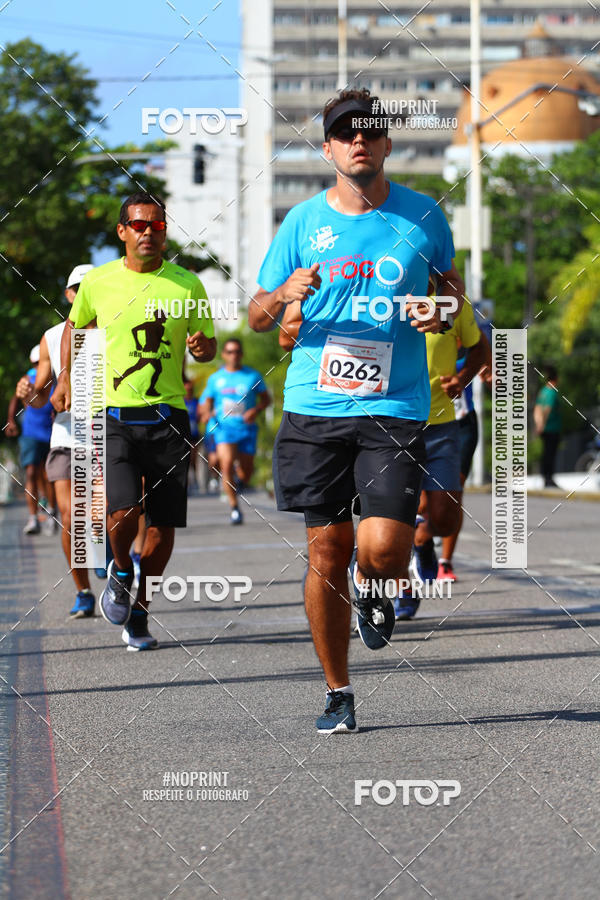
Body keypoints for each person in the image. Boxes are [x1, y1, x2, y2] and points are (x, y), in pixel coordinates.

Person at [249, 88, 464, 733]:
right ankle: (337, 691)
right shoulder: (301, 222)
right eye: (347, 134)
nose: (359, 141)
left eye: (370, 132)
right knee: (326, 550)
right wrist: (283, 294)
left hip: (394, 405)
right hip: (314, 405)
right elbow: (257, 315)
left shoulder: (424, 216)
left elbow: (451, 290)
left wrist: (441, 310)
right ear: (329, 149)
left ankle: (375, 588)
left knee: (386, 549)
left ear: (388, 144)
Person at [51, 191, 216, 650]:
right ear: (122, 231)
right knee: (123, 512)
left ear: (165, 231)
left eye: (157, 225)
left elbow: (206, 344)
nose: (148, 232)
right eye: (139, 225)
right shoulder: (98, 282)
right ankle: (121, 569)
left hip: (169, 418)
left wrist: (203, 347)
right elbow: (75, 327)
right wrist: (65, 375)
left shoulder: (187, 285)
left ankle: (140, 613)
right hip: (113, 416)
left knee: (162, 527)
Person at [16, 265, 99, 615]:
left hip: (110, 433)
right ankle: (83, 591)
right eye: (79, 288)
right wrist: (28, 396)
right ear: (68, 294)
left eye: (92, 286)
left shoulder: (116, 330)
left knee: (110, 515)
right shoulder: (51, 336)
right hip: (67, 434)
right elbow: (41, 397)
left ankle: (112, 555)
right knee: (70, 516)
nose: (85, 292)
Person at [436, 340, 492, 582]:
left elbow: (490, 367)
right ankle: (421, 539)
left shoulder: (470, 348)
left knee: (454, 492)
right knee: (422, 501)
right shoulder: (421, 339)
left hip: (462, 426)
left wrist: (492, 375)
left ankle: (445, 563)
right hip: (427, 423)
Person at [201, 338, 271, 524]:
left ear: (242, 354)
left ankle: (238, 483)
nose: (234, 355)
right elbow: (206, 401)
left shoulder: (252, 376)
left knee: (246, 472)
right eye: (230, 352)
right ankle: (234, 508)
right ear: (224, 354)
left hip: (246, 428)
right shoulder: (215, 378)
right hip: (224, 429)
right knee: (226, 465)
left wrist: (255, 410)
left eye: (237, 351)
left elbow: (266, 400)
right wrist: (206, 412)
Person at [7, 346, 56, 535]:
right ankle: (33, 517)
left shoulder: (55, 378)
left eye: (40, 363)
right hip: (30, 433)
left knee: (48, 476)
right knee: (31, 473)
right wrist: (11, 420)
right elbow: (15, 399)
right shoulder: (26, 379)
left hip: (51, 433)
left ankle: (51, 511)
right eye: (35, 363)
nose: (37, 367)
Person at [534, 364, 562, 488]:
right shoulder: (552, 392)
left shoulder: (543, 391)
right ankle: (548, 478)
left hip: (544, 429)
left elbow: (537, 408)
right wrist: (542, 424)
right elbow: (547, 409)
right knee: (550, 453)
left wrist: (538, 424)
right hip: (552, 428)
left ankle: (546, 477)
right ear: (556, 378)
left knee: (546, 453)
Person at [184, 378, 202, 493]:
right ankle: (187, 482)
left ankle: (194, 481)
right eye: (187, 389)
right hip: (182, 433)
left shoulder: (196, 402)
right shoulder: (181, 402)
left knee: (193, 458)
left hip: (194, 434)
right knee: (184, 458)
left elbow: (200, 415)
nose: (189, 391)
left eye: (191, 389)